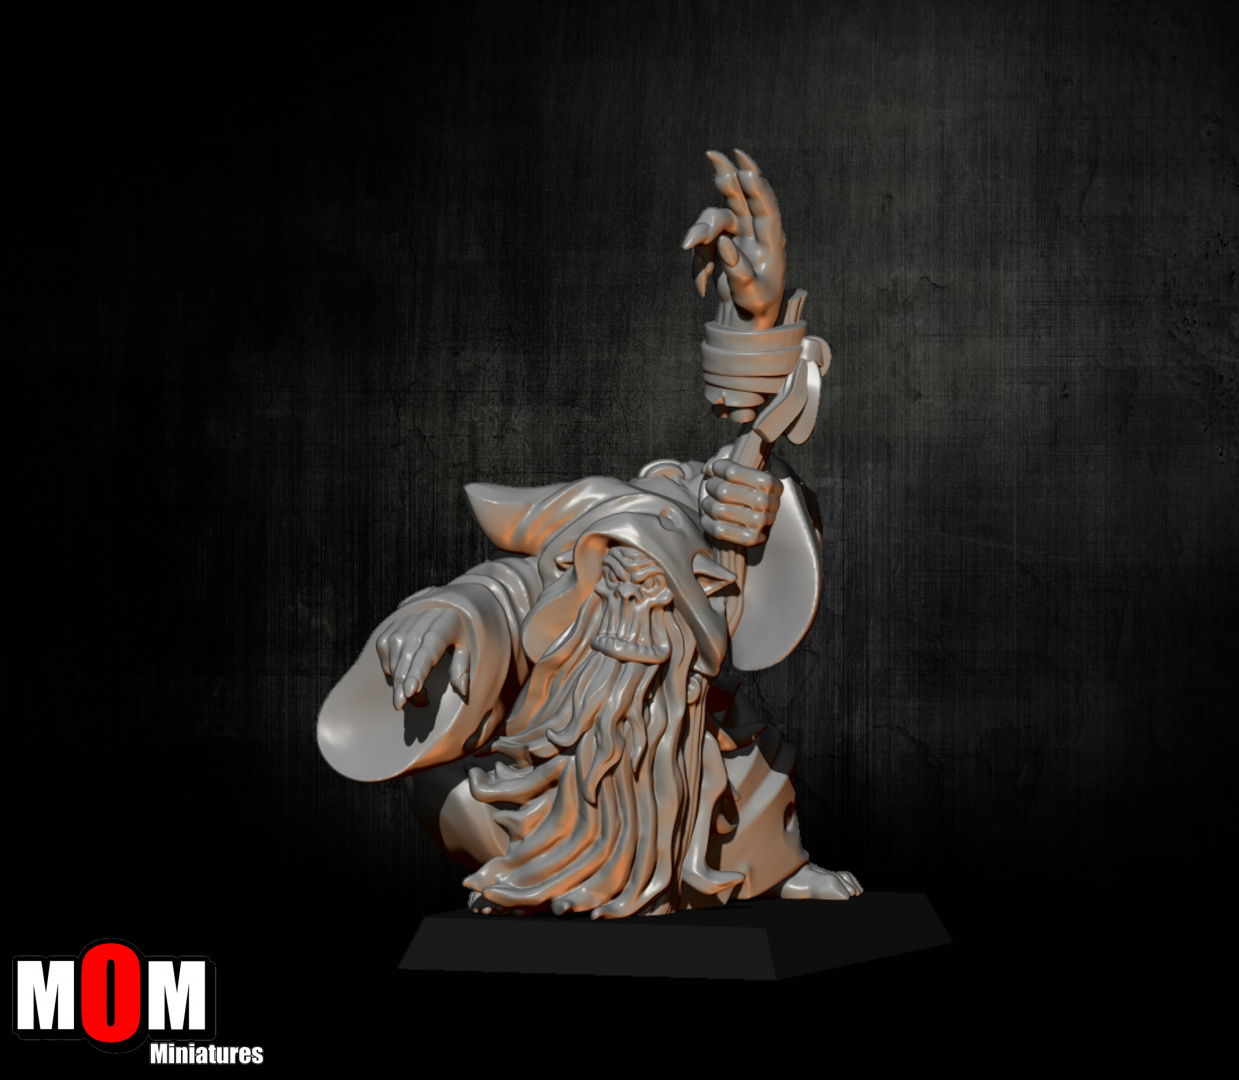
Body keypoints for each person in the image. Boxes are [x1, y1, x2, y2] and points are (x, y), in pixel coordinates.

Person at [317, 151, 861, 918]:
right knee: (444, 792)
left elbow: (749, 525)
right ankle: (551, 878)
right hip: (548, 802)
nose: (635, 607)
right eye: (618, 575)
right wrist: (447, 614)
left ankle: (725, 875)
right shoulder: (569, 607)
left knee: (739, 774)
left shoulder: (729, 766)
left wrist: (758, 331)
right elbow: (510, 588)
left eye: (656, 581)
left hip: (697, 812)